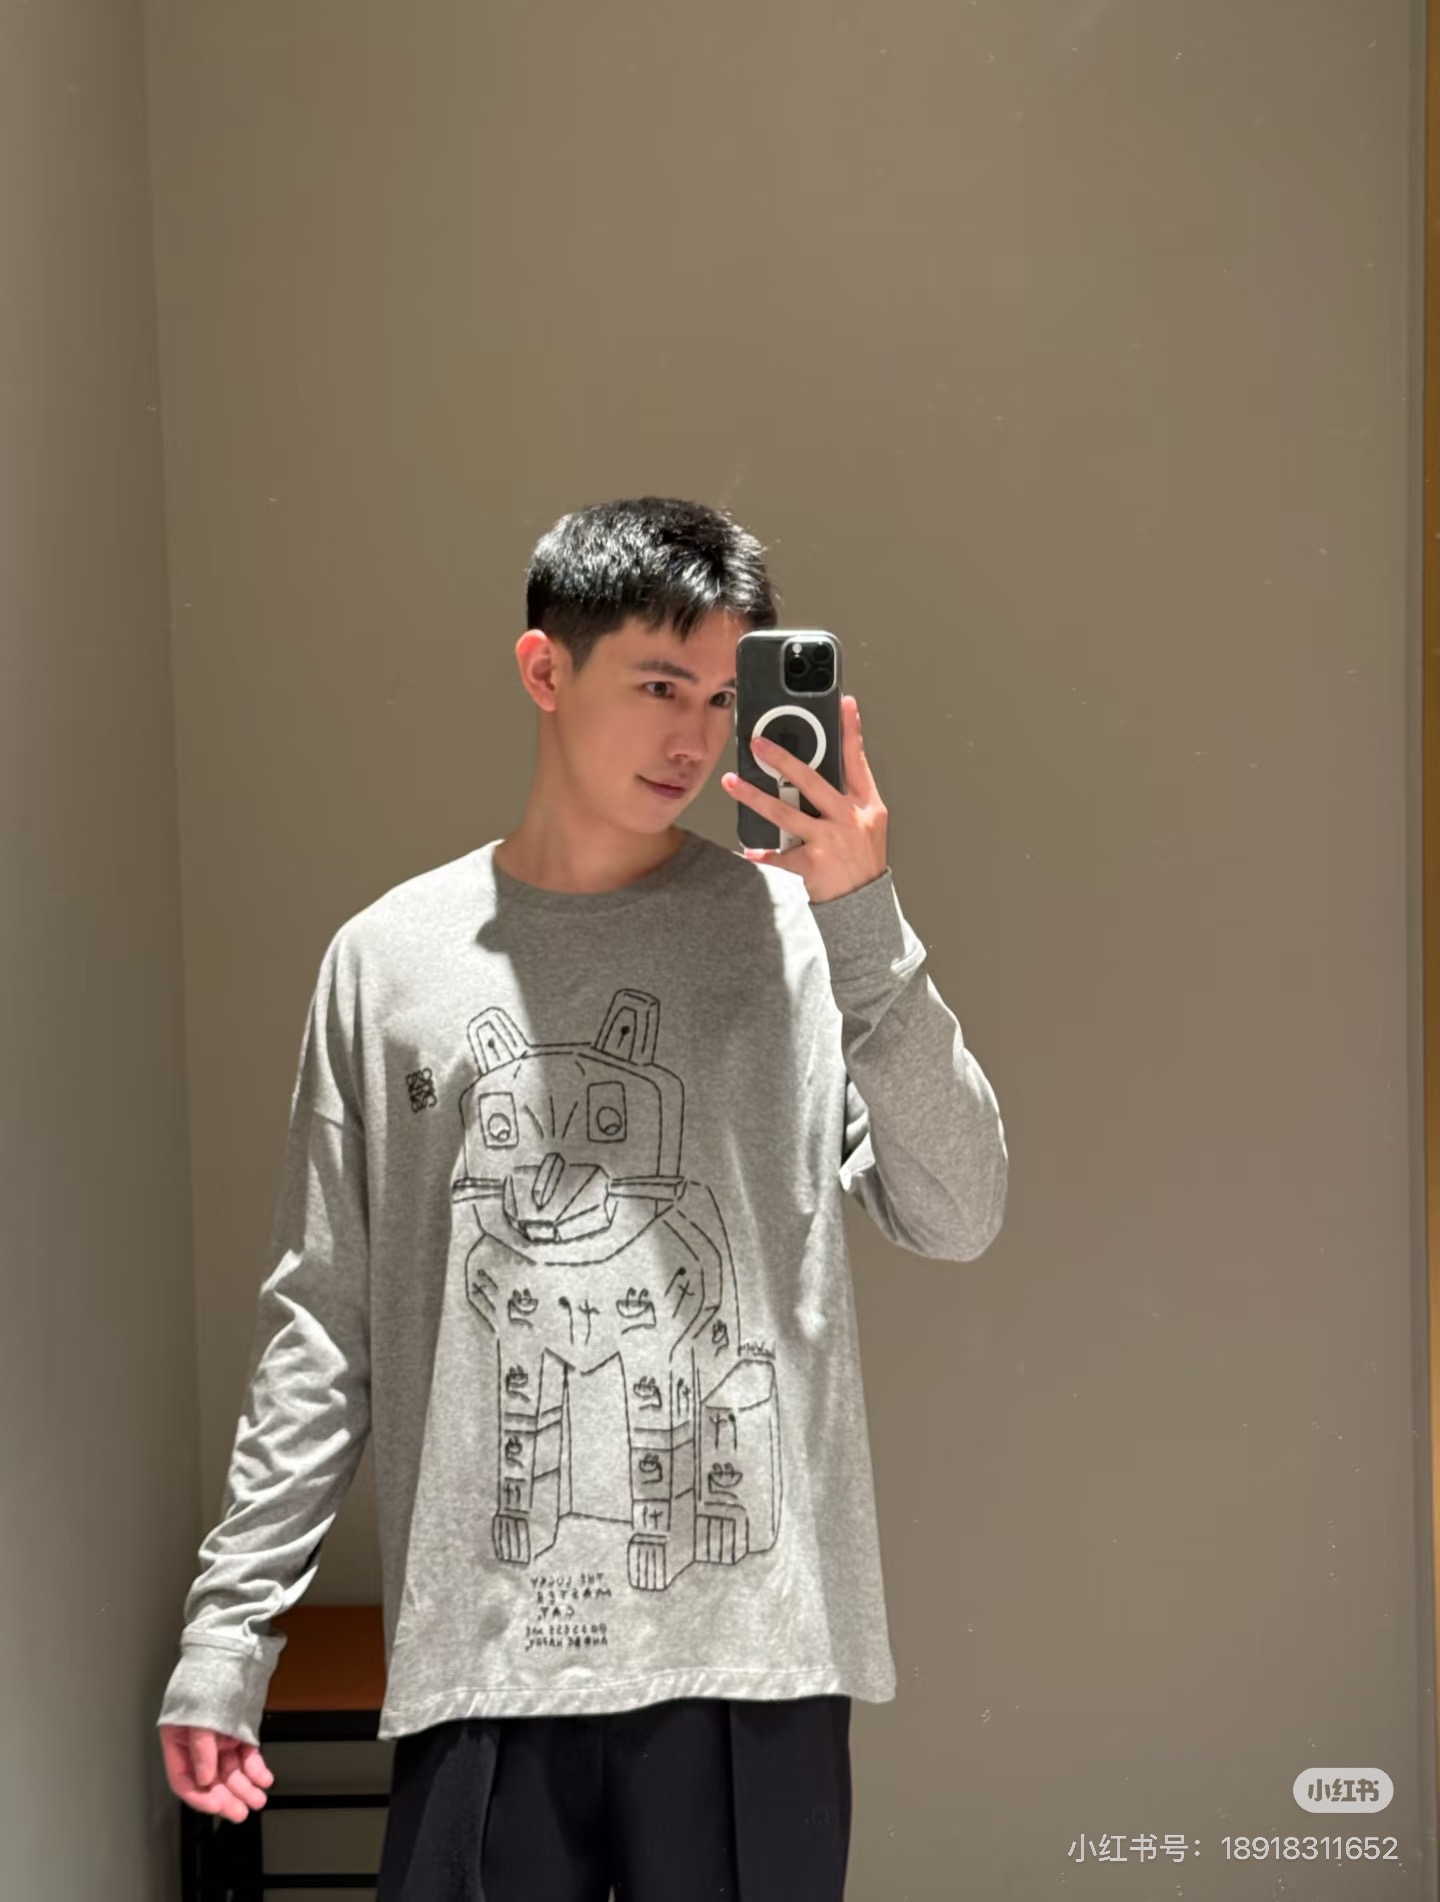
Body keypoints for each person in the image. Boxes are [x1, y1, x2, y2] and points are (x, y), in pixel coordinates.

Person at [157, 495, 1009, 1900]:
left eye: (723, 697)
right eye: (660, 685)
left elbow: (959, 1207)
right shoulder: (388, 961)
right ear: (544, 669)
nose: (695, 737)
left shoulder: (800, 940)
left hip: (753, 1660)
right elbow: (321, 1321)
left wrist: (863, 917)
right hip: (482, 1658)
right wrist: (228, 1631)